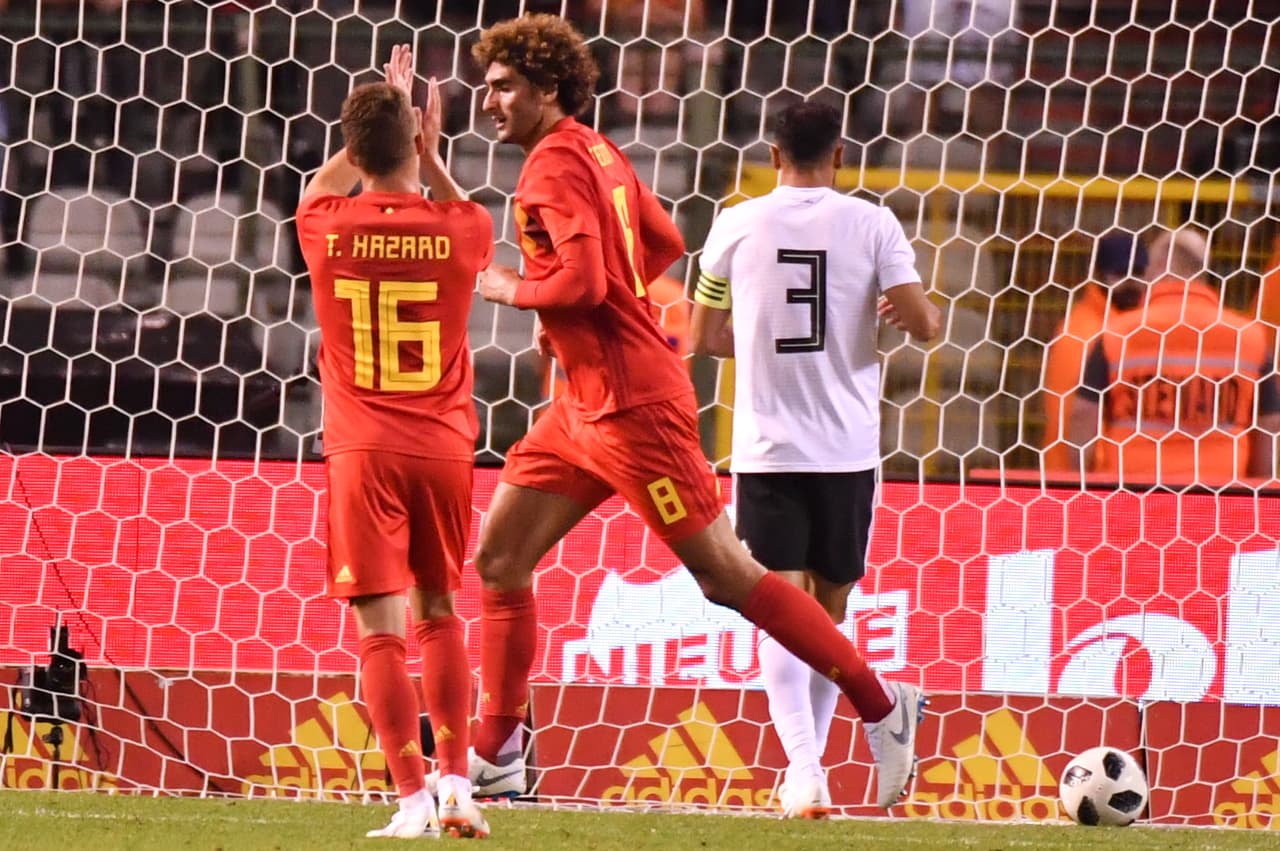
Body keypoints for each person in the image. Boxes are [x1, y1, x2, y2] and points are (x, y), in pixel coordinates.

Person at [449, 14, 926, 812]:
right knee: (499, 558)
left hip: (635, 407)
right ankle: (497, 749)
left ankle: (882, 705)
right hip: (582, 403)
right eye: (487, 85)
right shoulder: (596, 150)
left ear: (547, 88)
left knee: (729, 577)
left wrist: (514, 290)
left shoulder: (548, 170)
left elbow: (584, 282)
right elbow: (663, 239)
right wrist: (579, 318)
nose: (488, 101)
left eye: (503, 87)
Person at [689, 100, 941, 818]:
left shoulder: (736, 223)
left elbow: (705, 336)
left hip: (768, 446)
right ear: (840, 156)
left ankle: (807, 772)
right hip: (848, 449)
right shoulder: (873, 222)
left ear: (772, 155)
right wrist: (887, 316)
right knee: (827, 613)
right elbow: (926, 324)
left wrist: (765, 334)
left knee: (781, 612)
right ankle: (810, 768)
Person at [294, 45, 493, 840]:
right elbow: (468, 210)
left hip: (362, 451)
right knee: (439, 609)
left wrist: (382, 127)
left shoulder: (324, 222)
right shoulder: (461, 227)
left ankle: (409, 798)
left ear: (349, 147)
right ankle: (457, 782)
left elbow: (321, 185)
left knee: (378, 626)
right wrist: (431, 155)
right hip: (443, 446)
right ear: (415, 142)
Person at [1068, 227, 1280, 486]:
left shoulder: (1117, 333)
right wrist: (1255, 491)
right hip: (1218, 499)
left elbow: (1083, 414)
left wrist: (1082, 486)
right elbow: (1269, 423)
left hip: (1132, 497)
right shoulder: (1249, 337)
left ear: (1159, 266)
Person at [1042, 232, 1149, 473]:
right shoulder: (1085, 332)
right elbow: (1076, 415)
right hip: (1085, 477)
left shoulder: (1122, 325)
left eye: (1139, 273)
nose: (1132, 282)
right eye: (1121, 274)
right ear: (1099, 276)